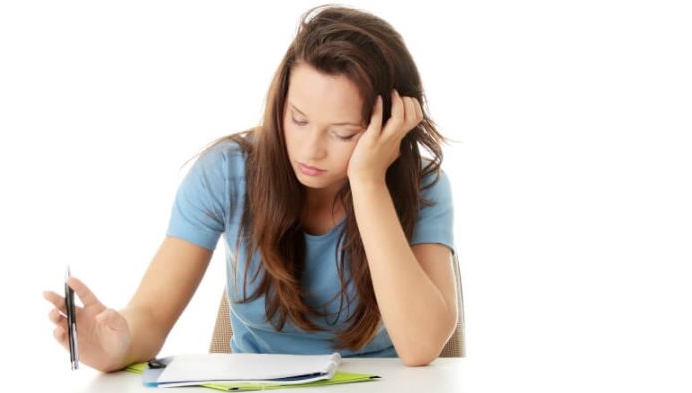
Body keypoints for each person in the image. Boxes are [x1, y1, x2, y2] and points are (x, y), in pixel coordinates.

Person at [43, 4, 457, 372]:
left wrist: (367, 183)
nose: (310, 149)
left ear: (390, 127)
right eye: (298, 119)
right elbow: (151, 313)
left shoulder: (423, 186)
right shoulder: (227, 172)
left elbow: (420, 347)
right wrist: (114, 346)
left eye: (344, 133)